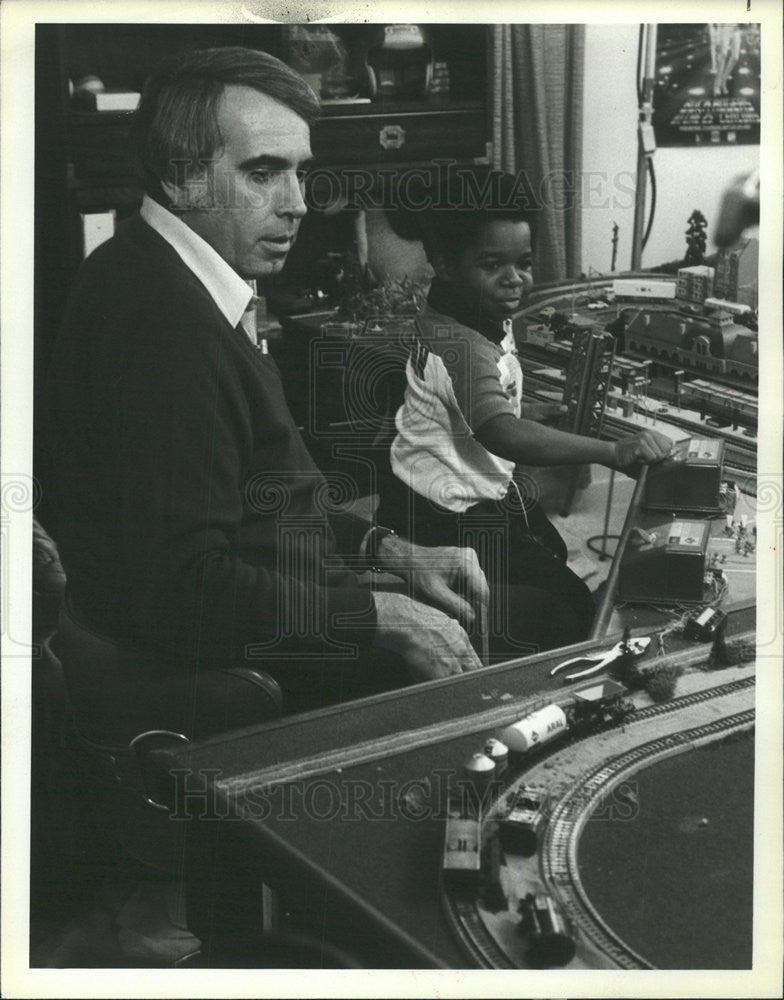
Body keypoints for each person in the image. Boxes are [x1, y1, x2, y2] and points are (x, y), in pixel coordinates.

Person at [43, 48, 488, 727]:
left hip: (298, 604)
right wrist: (384, 615)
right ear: (181, 175)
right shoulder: (159, 323)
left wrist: (390, 552)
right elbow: (184, 591)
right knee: (538, 624)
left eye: (300, 173)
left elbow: (262, 497)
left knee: (512, 607)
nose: (298, 204)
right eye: (263, 173)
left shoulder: (160, 272)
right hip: (243, 670)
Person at [374, 170, 673, 659]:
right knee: (569, 606)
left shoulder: (468, 315)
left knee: (551, 555)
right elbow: (503, 435)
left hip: (452, 493)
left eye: (524, 263)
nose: (514, 279)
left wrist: (529, 409)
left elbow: (469, 408)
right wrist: (614, 451)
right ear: (445, 266)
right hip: (446, 517)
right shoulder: (464, 346)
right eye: (492, 265)